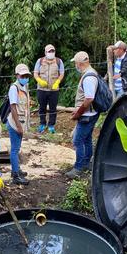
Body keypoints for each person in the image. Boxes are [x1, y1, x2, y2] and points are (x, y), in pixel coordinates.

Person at [66, 51, 100, 179]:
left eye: (75, 63)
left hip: (87, 114)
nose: (75, 65)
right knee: (86, 138)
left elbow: (89, 98)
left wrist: (78, 112)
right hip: (91, 113)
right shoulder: (91, 73)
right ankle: (87, 163)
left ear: (80, 63)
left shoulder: (89, 78)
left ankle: (78, 168)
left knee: (77, 140)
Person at [7, 64, 31, 185]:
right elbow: (13, 107)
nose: (25, 78)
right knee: (15, 149)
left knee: (17, 148)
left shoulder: (25, 87)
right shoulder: (14, 88)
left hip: (21, 122)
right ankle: (16, 176)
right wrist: (18, 126)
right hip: (15, 123)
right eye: (23, 76)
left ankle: (16, 169)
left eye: (27, 76)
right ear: (17, 75)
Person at [34, 44, 65, 134]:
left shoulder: (59, 61)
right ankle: (42, 124)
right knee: (42, 107)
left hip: (54, 90)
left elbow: (62, 73)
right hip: (42, 89)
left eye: (52, 51)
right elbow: (35, 73)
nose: (51, 53)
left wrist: (57, 82)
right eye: (49, 51)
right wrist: (39, 80)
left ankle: (51, 125)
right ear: (45, 52)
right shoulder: (39, 61)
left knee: (53, 108)